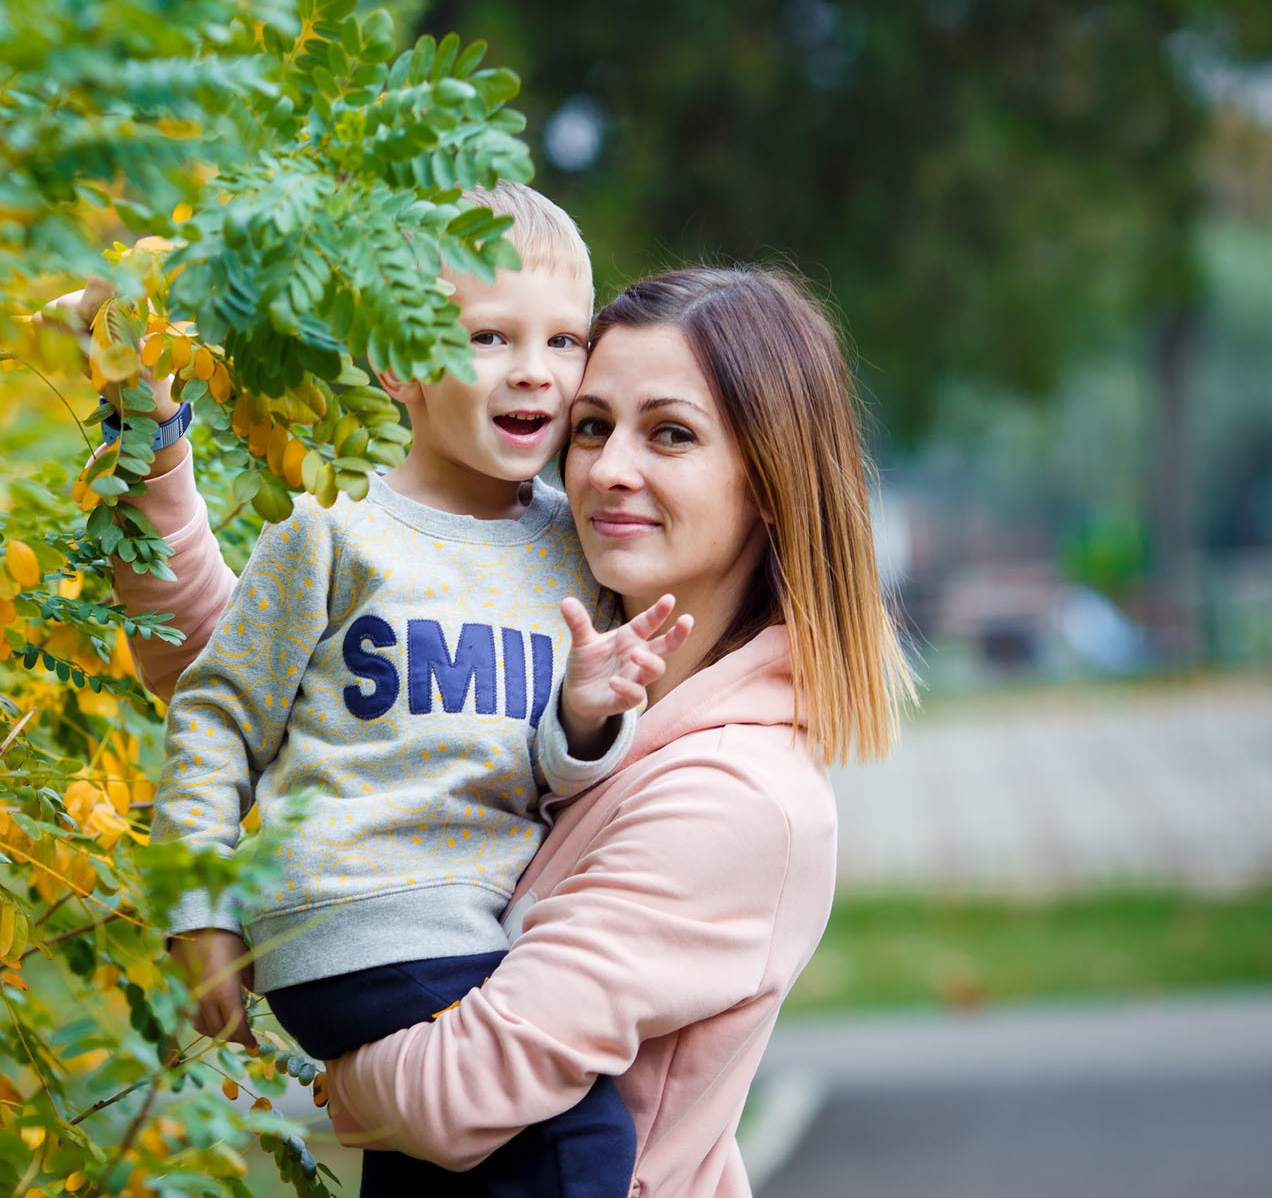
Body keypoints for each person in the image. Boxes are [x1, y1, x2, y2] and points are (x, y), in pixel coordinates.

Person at [111, 264, 913, 1197]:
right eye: (592, 427)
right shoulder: (551, 617)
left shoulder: (741, 798)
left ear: (770, 479)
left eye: (671, 434)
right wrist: (149, 426)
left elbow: (457, 1096)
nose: (610, 468)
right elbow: (227, 667)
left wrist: (319, 1069)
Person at [143, 182, 691, 1197]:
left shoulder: (573, 553)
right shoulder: (335, 529)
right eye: (487, 337)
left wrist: (583, 710)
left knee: (445, 1163)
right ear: (395, 362)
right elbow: (219, 711)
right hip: (358, 916)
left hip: (475, 929)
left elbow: (555, 772)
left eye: (564, 341)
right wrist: (201, 908)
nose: (534, 371)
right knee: (577, 1145)